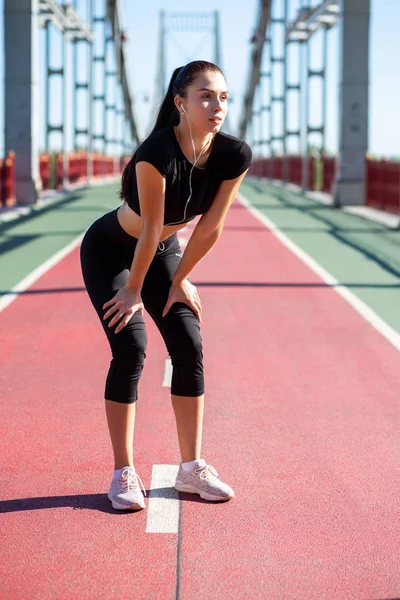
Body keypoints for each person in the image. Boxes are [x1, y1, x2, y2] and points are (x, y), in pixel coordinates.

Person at [80, 60, 252, 511]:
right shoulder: (156, 152)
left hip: (162, 251)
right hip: (112, 250)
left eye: (223, 97)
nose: (218, 106)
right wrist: (133, 290)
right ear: (181, 102)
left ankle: (190, 469)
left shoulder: (234, 155)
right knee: (131, 346)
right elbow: (152, 225)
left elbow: (210, 225)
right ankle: (123, 472)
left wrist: (180, 280)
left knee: (188, 341)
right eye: (206, 96)